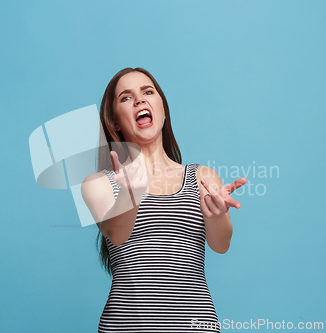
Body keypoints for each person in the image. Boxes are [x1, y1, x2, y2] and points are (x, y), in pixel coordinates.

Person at [81, 67, 247, 332]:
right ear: (114, 123)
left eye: (148, 92)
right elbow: (117, 234)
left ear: (163, 110)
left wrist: (216, 215)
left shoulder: (202, 177)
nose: (139, 100)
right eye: (126, 97)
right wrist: (129, 191)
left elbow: (221, 244)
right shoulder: (98, 182)